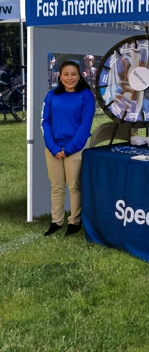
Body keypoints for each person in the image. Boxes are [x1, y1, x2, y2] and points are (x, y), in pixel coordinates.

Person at [41, 60, 95, 236]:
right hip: (53, 148)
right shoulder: (51, 95)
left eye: (73, 74)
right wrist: (53, 147)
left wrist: (69, 149)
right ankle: (56, 221)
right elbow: (45, 122)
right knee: (56, 186)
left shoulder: (86, 96)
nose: (70, 78)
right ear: (60, 76)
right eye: (66, 74)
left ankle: (75, 221)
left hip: (75, 148)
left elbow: (85, 125)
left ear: (79, 76)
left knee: (73, 186)